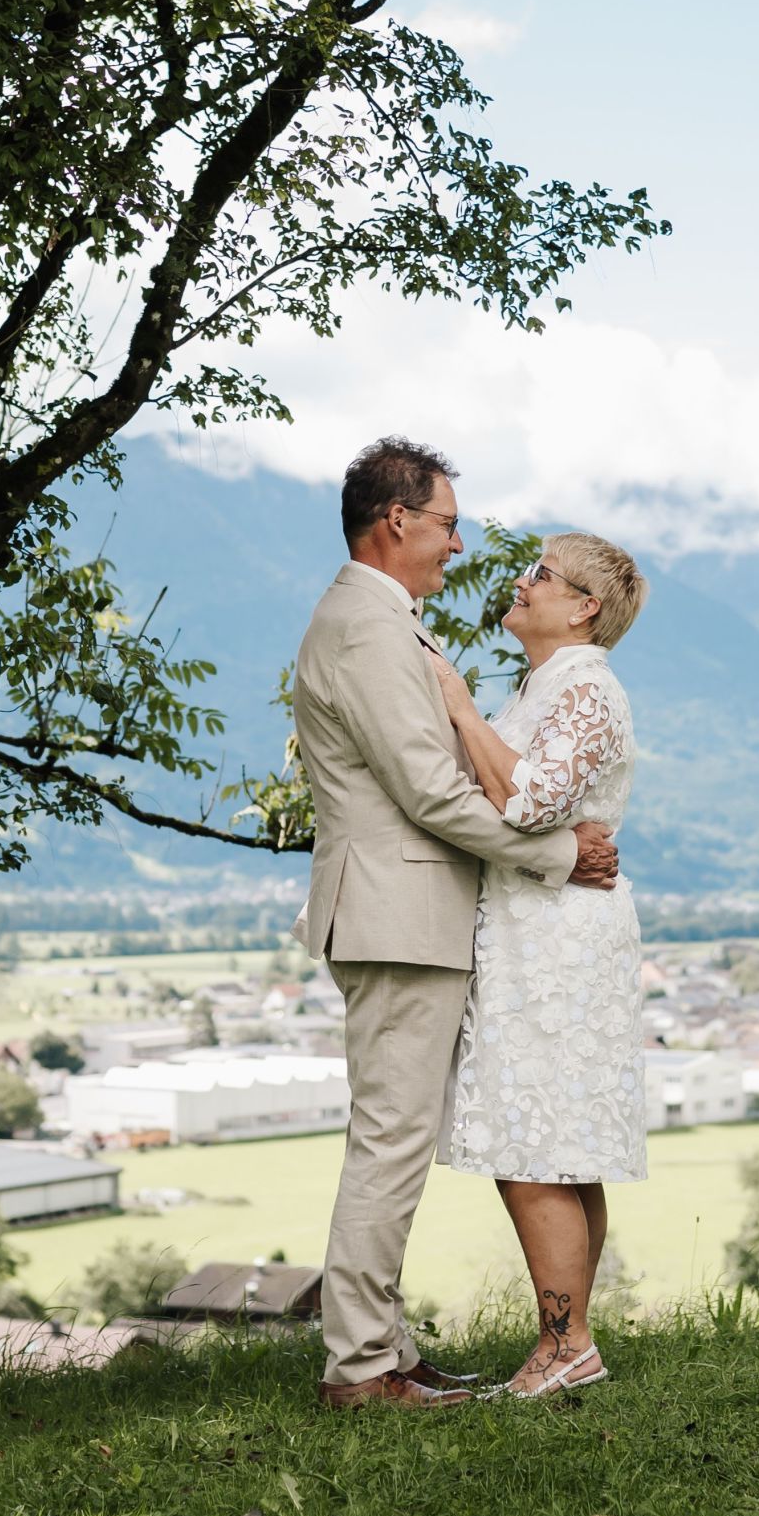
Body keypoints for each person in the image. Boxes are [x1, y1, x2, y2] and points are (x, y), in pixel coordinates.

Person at [293, 437, 622, 1411]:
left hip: (407, 916)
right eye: (446, 523)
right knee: (390, 1143)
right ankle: (362, 1368)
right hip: (397, 917)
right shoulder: (369, 628)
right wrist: (559, 856)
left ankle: (386, 1349)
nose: (459, 544)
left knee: (394, 1139)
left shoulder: (383, 621)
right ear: (397, 520)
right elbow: (432, 795)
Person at [430, 531, 649, 1395]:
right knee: (558, 1141)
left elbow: (527, 802)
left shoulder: (586, 687)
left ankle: (568, 1346)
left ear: (584, 607)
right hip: (539, 927)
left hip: (556, 940)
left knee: (534, 1141)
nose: (522, 583)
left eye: (541, 574)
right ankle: (566, 1343)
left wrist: (459, 707)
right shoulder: (549, 683)